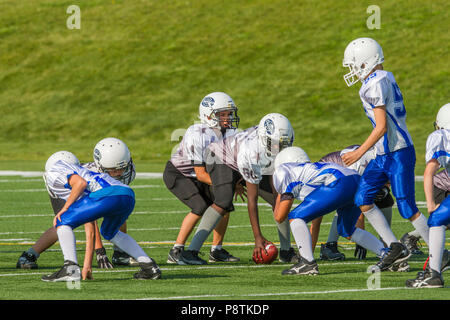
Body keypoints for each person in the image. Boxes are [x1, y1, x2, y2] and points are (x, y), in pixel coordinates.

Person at [341, 37, 429, 270]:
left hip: (398, 151)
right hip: (384, 154)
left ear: (364, 62)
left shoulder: (374, 83)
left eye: (353, 64)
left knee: (407, 207)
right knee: (362, 198)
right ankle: (395, 247)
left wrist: (359, 152)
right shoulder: (384, 76)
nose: (351, 70)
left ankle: (440, 251)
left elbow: (380, 126)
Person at [177, 113, 297, 265]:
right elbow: (252, 201)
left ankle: (286, 251)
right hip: (220, 157)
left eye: (283, 143)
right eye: (274, 143)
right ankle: (190, 252)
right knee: (223, 201)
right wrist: (257, 237)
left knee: (279, 200)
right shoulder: (252, 151)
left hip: (243, 157)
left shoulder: (273, 144)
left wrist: (278, 197)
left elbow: (277, 188)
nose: (279, 148)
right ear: (263, 138)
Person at [16, 138, 137, 273]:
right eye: (112, 170)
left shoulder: (128, 172)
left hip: (84, 187)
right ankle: (29, 255)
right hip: (70, 187)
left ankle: (120, 254)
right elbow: (90, 218)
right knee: (62, 224)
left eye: (122, 168)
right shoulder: (91, 176)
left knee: (119, 212)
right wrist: (99, 250)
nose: (119, 173)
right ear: (100, 165)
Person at [41, 155, 161, 282]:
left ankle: (70, 268)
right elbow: (90, 226)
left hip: (107, 194)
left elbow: (80, 183)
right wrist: (87, 264)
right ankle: (149, 267)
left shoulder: (56, 170)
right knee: (110, 233)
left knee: (62, 220)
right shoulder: (85, 172)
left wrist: (65, 208)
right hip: (127, 194)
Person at [272, 146, 386, 275]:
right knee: (346, 230)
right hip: (354, 179)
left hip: (339, 182)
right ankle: (387, 255)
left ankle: (307, 264)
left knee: (295, 216)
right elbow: (316, 212)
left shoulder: (282, 171)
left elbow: (280, 217)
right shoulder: (310, 173)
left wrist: (280, 194)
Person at [163, 92, 241, 264]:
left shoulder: (229, 133)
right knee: (200, 206)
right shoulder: (198, 133)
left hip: (203, 174)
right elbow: (200, 173)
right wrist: (225, 185)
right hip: (179, 174)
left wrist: (232, 184)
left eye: (229, 113)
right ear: (208, 114)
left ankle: (216, 250)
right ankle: (176, 250)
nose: (227, 118)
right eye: (222, 114)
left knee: (223, 203)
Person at [311, 145, 395, 264]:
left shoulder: (382, 159)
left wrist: (385, 187)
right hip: (332, 172)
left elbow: (386, 180)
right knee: (323, 212)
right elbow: (358, 203)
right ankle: (324, 248)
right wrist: (361, 241)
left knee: (385, 199)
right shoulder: (362, 164)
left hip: (353, 170)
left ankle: (389, 245)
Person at [407, 103, 450, 288]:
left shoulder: (441, 136)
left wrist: (431, 204)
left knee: (436, 220)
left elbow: (429, 172)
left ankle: (434, 275)